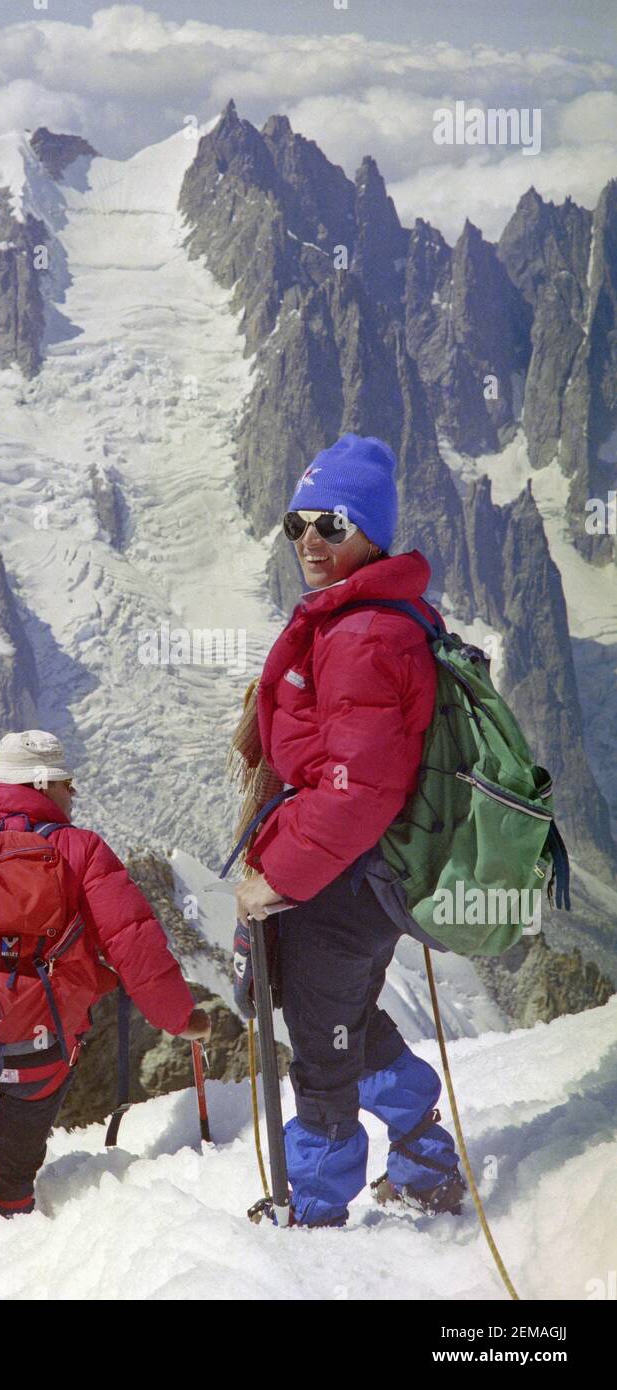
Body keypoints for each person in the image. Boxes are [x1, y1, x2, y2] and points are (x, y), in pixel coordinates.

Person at [230, 433, 464, 1228]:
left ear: (370, 529)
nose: (308, 541)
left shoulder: (366, 635)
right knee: (346, 1023)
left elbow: (356, 791)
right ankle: (426, 1156)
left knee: (323, 1057)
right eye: (296, 522)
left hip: (342, 880)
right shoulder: (363, 620)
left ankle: (316, 1216)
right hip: (355, 880)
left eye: (330, 524)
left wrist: (276, 880)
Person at [0, 730, 210, 1216]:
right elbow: (134, 944)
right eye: (66, 782)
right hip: (46, 1049)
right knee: (16, 1166)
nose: (72, 793)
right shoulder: (82, 852)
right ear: (42, 786)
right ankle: (12, 1223)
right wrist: (180, 1018)